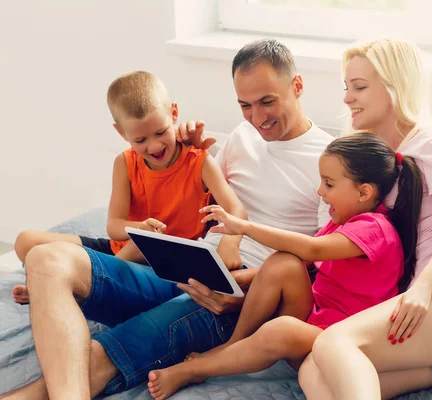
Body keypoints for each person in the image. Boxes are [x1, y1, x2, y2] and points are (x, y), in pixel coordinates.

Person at [2, 39, 332, 400]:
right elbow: (199, 187)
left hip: (226, 295)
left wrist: (247, 289)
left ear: (297, 86)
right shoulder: (242, 137)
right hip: (182, 266)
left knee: (97, 355)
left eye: (267, 101)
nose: (257, 117)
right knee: (44, 258)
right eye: (244, 105)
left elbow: (322, 263)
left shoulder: (328, 161)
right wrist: (181, 142)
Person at [145, 132, 423, 400]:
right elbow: (303, 260)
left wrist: (244, 226)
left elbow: (311, 248)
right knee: (282, 262)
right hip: (316, 319)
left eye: (328, 184)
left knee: (282, 329)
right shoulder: (343, 222)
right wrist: (242, 278)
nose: (320, 192)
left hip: (340, 339)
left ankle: (192, 371)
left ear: (364, 192)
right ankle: (232, 346)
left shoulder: (375, 228)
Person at [298, 39, 432, 400]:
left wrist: (423, 287)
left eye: (359, 87)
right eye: (346, 87)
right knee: (314, 369)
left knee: (331, 343)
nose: (346, 98)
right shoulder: (364, 158)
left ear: (394, 87)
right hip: (425, 330)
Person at [11, 70, 239, 304]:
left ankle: (74, 285)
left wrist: (231, 245)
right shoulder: (124, 163)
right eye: (140, 140)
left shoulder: (199, 161)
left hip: (166, 260)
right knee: (26, 241)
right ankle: (70, 282)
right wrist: (140, 228)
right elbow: (114, 226)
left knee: (143, 245)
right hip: (120, 251)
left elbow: (236, 209)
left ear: (173, 113)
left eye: (160, 132)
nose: (154, 146)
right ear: (121, 132)